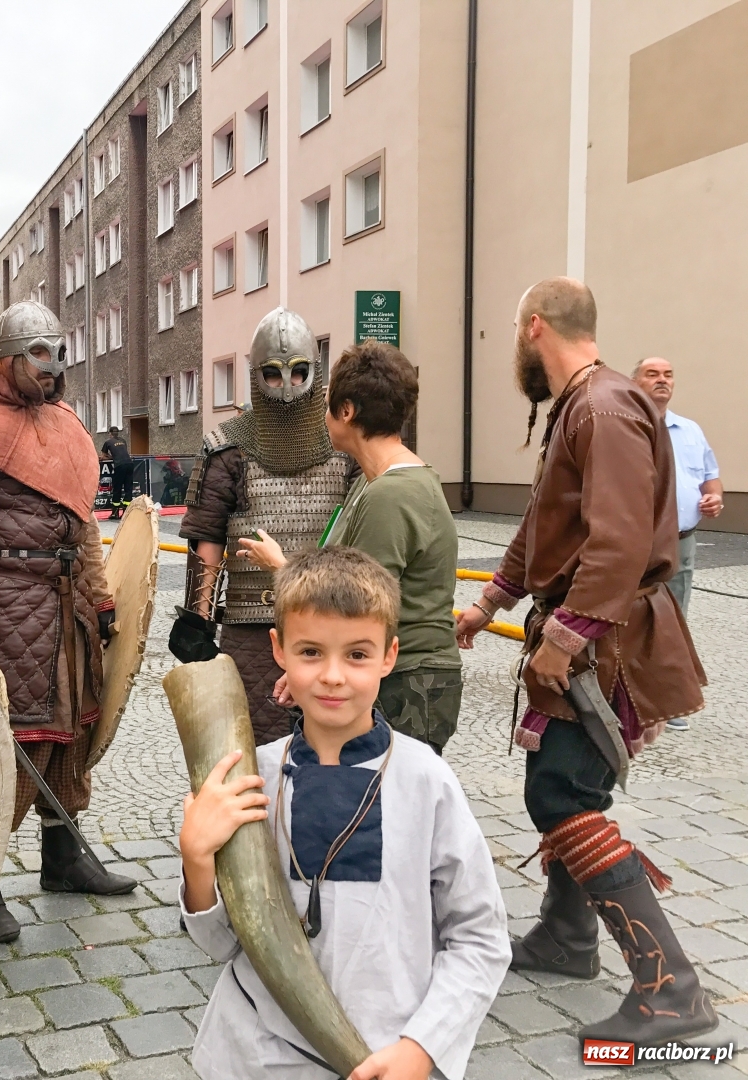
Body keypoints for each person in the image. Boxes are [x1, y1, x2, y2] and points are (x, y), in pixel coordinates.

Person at [457, 278, 714, 1045]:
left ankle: (674, 993)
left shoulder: (601, 407)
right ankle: (566, 939)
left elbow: (621, 540)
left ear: (534, 327)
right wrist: (489, 604)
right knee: (569, 788)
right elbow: (545, 524)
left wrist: (564, 638)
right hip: (589, 632)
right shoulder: (582, 404)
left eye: (513, 331)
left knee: (564, 796)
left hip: (603, 642)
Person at [180, 546, 508, 1080]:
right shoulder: (249, 779)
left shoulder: (425, 780)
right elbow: (221, 943)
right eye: (311, 652)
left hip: (383, 1053)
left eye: (357, 654)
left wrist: (422, 1047)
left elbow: (479, 936)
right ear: (279, 649)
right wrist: (197, 861)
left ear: (388, 655)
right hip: (254, 1055)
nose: (333, 676)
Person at [0, 299, 135, 945]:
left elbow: (85, 526)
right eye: (38, 353)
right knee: (9, 746)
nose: (51, 366)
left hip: (66, 608)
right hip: (9, 604)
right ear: (9, 356)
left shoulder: (63, 422)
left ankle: (63, 858)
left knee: (71, 737)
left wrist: (101, 601)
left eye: (56, 352)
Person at [240, 341, 462, 753]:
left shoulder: (391, 494)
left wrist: (281, 567)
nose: (324, 418)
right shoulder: (373, 483)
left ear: (347, 411)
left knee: (386, 813)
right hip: (390, 675)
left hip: (407, 684)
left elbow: (355, 606)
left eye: (328, 406)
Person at [172, 307, 352, 745]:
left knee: (332, 745)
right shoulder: (227, 447)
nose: (287, 387)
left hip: (331, 617)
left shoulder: (345, 443)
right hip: (250, 623)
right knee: (255, 749)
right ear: (255, 374)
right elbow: (208, 541)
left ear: (316, 370)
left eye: (298, 373)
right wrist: (199, 624)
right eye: (273, 374)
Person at [633, 357, 722, 616]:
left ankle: (671, 658)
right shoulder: (625, 428)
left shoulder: (690, 430)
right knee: (632, 612)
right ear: (634, 383)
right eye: (652, 374)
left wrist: (714, 497)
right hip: (637, 541)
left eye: (668, 375)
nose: (662, 380)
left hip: (681, 541)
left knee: (675, 614)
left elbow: (710, 477)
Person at [101, 424, 133, 519]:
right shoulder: (123, 441)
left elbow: (103, 456)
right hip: (130, 464)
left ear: (110, 434)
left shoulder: (108, 442)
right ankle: (126, 512)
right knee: (128, 488)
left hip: (120, 465)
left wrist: (111, 457)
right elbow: (124, 452)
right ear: (117, 433)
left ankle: (115, 513)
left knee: (117, 488)